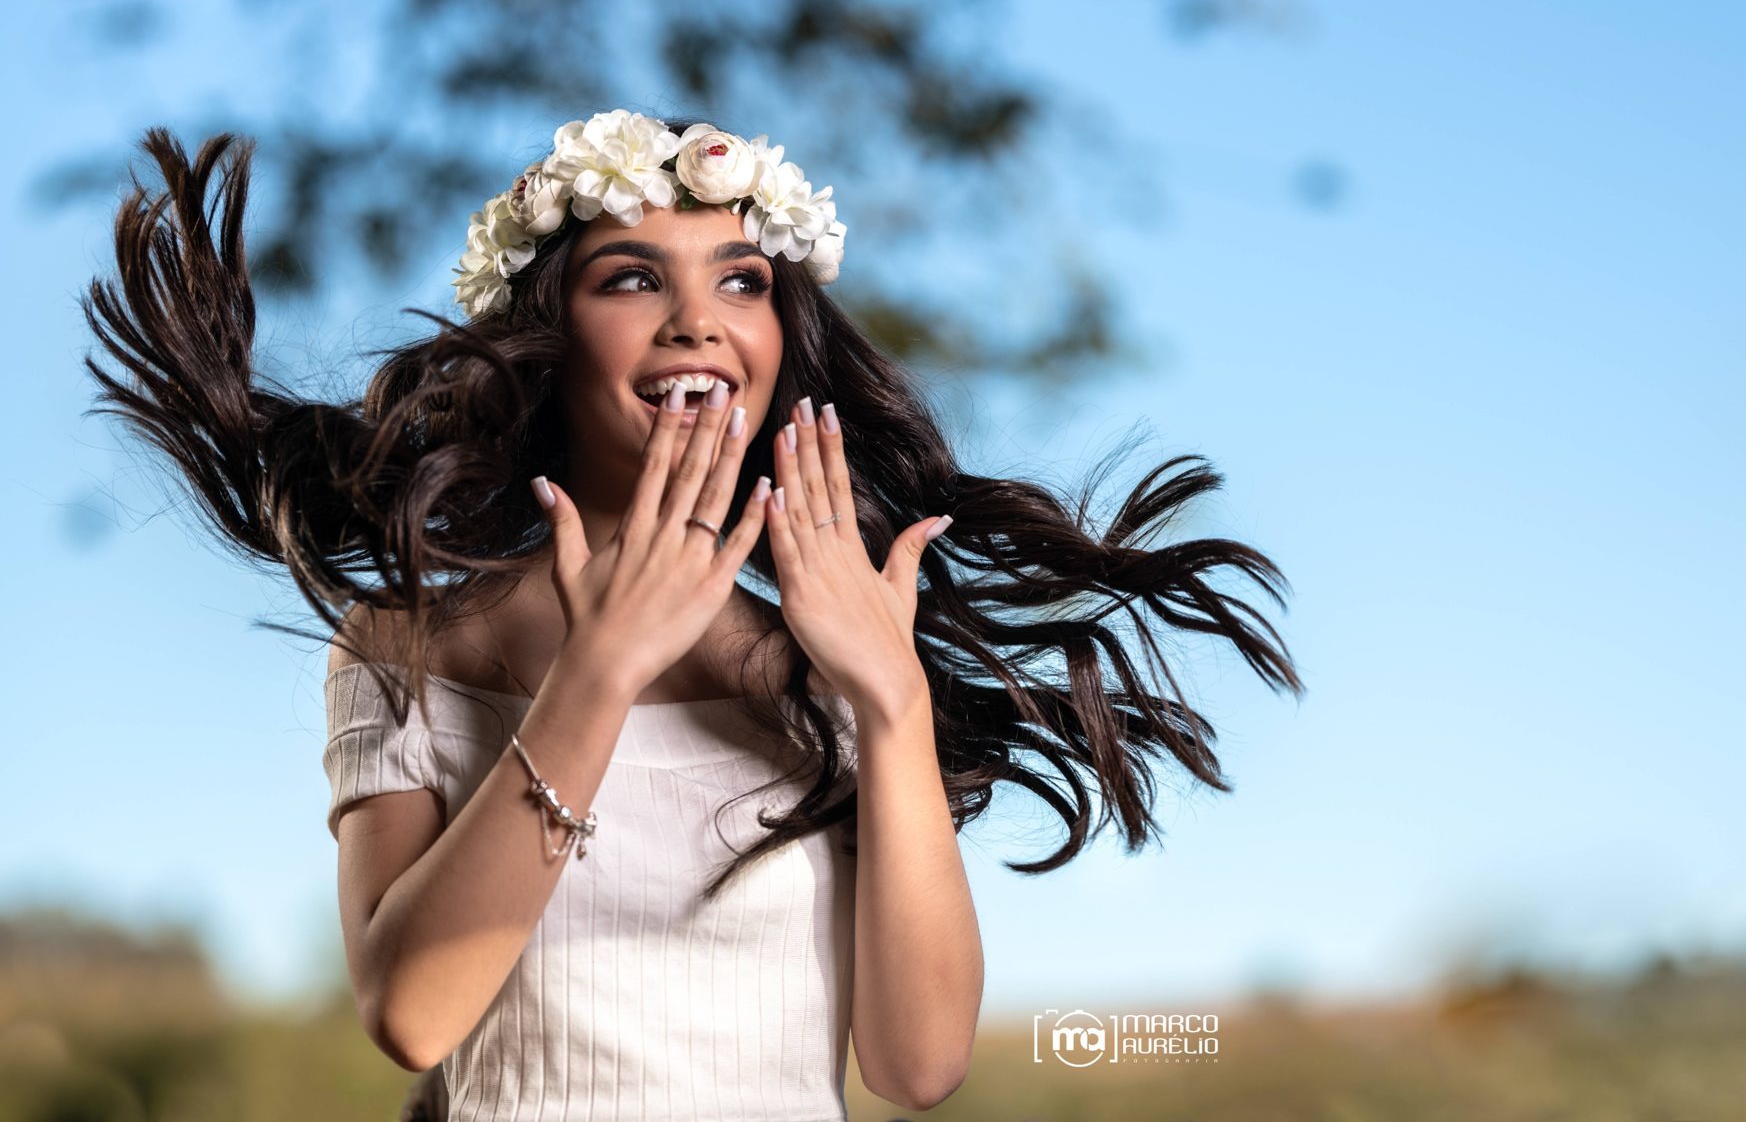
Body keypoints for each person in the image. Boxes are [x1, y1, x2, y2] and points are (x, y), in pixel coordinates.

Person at [79, 110, 1306, 1120]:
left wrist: (893, 704)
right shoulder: (407, 645)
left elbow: (919, 1064)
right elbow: (411, 1015)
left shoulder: (830, 664)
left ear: (783, 337)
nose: (697, 318)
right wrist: (597, 672)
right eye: (631, 277)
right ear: (547, 337)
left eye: (743, 280)